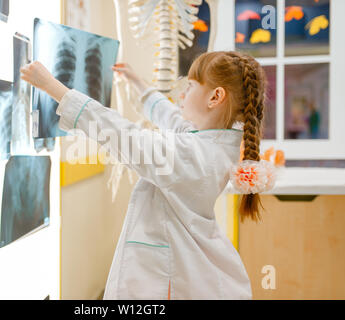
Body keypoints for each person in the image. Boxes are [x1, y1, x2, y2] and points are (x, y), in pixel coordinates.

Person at [20, 51, 272, 300]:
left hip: (173, 279)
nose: (183, 93)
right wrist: (139, 84)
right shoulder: (211, 146)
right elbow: (172, 119)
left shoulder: (194, 157)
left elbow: (126, 137)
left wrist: (53, 87)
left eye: (191, 85)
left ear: (215, 97)